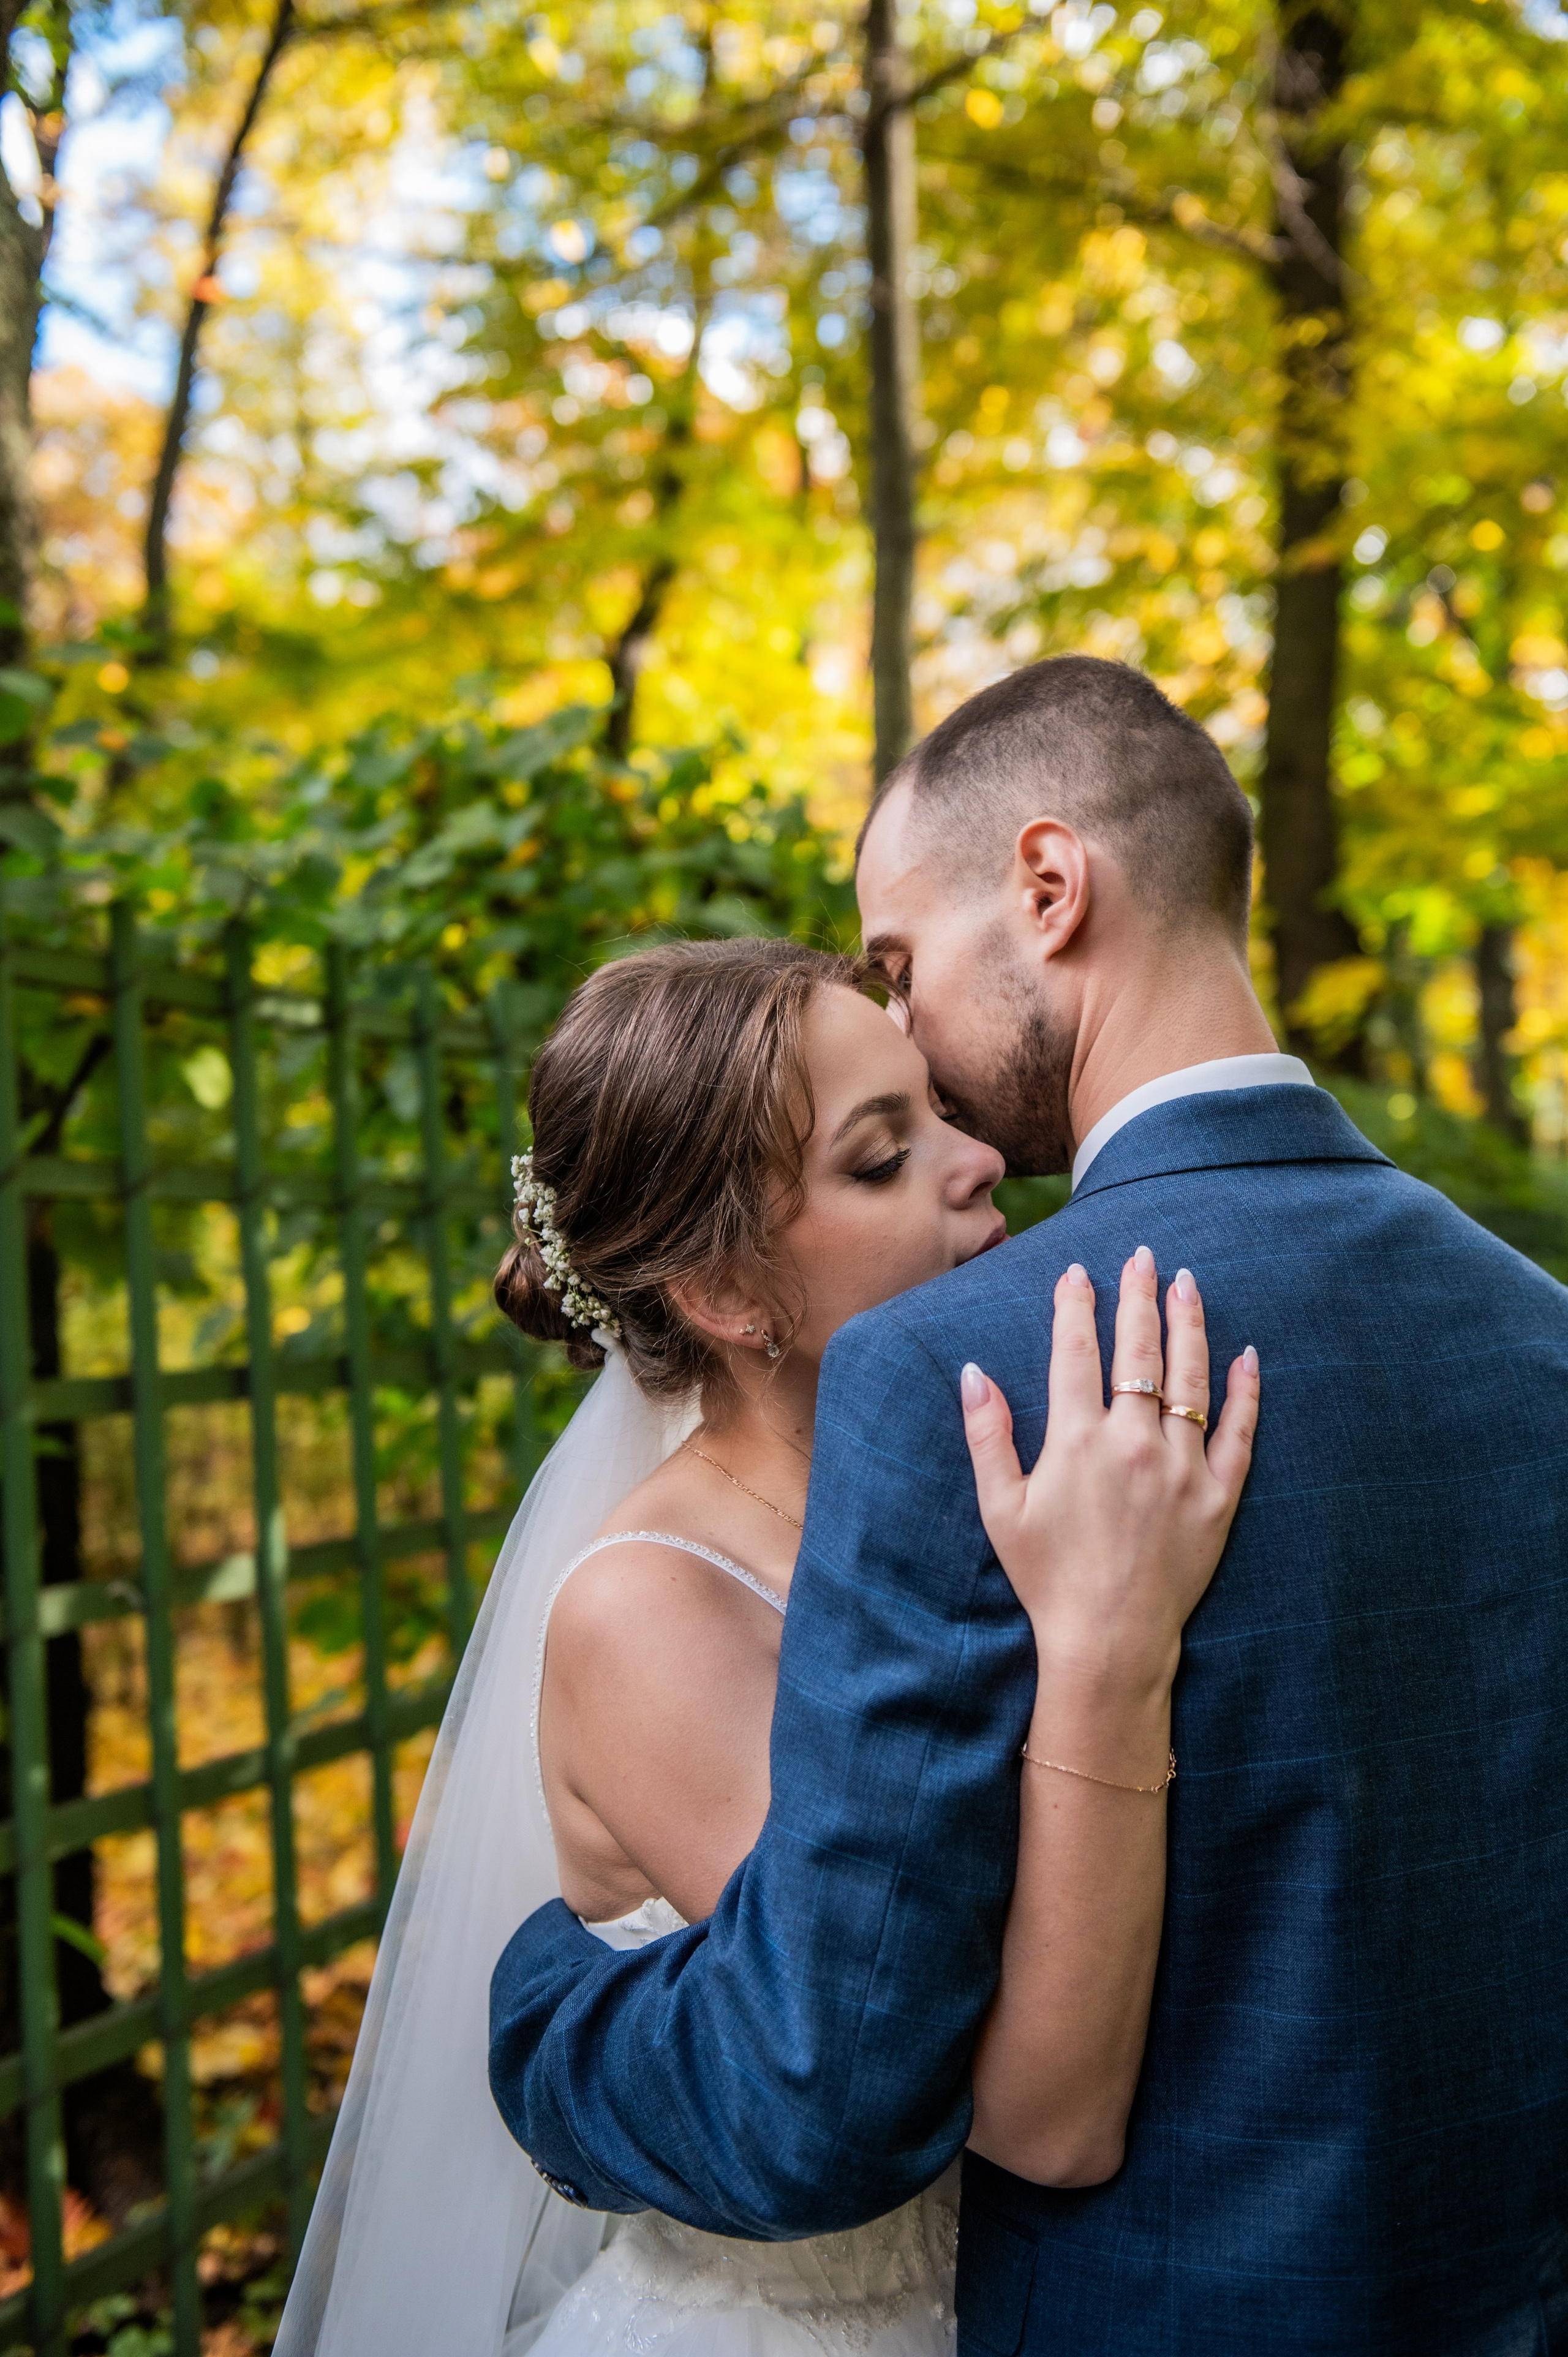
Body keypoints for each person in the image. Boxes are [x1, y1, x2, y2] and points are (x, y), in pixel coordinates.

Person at [489, 655, 1568, 2356]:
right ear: (721, 1290)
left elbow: (839, 2073)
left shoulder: (962, 1376)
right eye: (875, 1140)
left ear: (1051, 888)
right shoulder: (1541, 1338)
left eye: (902, 968)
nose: (928, 1066)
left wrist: (555, 2023)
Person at [273, 924, 1256, 2357]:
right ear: (729, 1297)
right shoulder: (650, 1610)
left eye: (939, 1108)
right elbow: (1031, 2108)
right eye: (879, 1154)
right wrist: (1111, 1644)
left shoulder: (1025, 1484)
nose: (977, 1157)